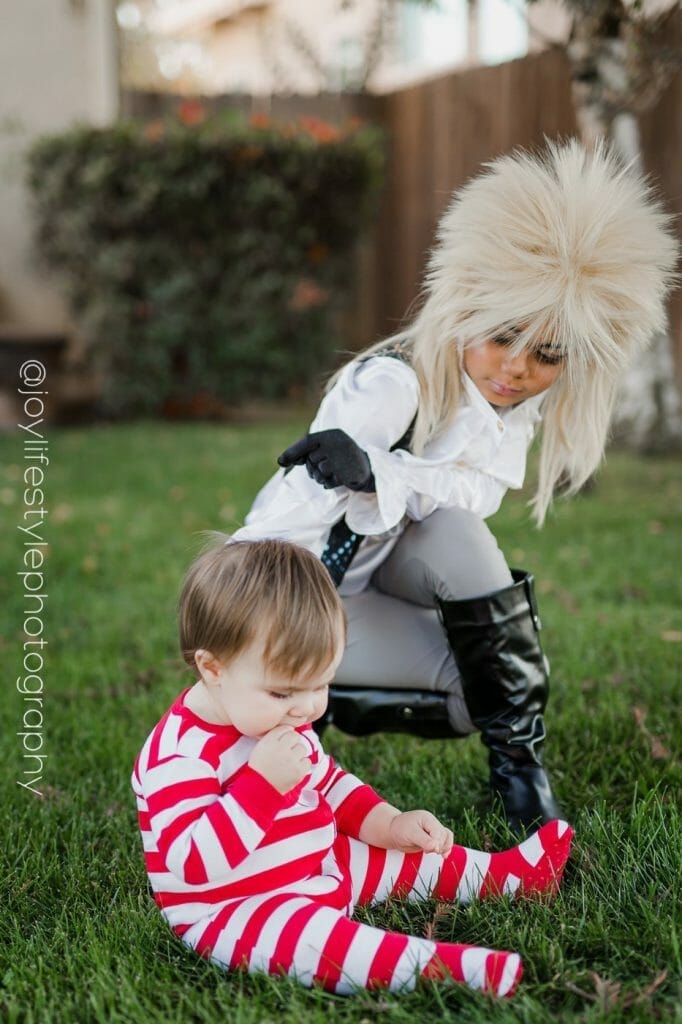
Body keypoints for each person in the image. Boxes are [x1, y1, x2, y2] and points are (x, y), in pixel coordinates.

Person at [231, 139, 679, 832]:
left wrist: (385, 474)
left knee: (493, 677)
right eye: (502, 337)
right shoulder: (392, 385)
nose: (517, 368)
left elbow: (472, 498)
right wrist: (363, 469)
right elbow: (301, 524)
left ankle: (519, 768)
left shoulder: (510, 413)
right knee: (473, 655)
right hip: (287, 599)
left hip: (376, 578)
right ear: (468, 306)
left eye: (547, 353)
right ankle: (301, 709)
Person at [131, 538, 573, 996]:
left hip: (320, 862)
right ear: (213, 668)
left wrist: (390, 823)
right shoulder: (180, 756)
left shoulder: (279, 718)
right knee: (322, 942)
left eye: (321, 684)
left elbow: (333, 786)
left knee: (405, 859)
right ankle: (446, 971)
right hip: (241, 906)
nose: (306, 709)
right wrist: (260, 785)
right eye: (283, 692)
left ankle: (511, 876)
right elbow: (193, 863)